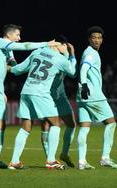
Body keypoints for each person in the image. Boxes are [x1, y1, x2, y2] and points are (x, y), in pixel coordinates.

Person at [0, 24, 60, 169]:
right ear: (9, 35)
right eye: (17, 35)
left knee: (0, 125)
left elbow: (14, 67)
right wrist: (46, 44)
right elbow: (25, 46)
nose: (19, 38)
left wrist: (30, 66)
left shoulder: (8, 50)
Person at [7, 37, 76, 170]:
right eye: (64, 46)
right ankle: (50, 160)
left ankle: (14, 161)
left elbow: (18, 70)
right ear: (60, 45)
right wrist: (69, 54)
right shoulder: (60, 59)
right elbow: (72, 73)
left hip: (26, 91)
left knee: (26, 126)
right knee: (55, 124)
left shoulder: (37, 52)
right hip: (40, 92)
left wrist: (7, 68)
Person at [77, 26, 117, 170]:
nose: (97, 40)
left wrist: (83, 86)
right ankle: (105, 158)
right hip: (92, 94)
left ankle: (82, 161)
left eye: (99, 37)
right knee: (111, 123)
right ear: (89, 39)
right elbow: (83, 69)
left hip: (82, 95)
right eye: (94, 37)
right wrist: (85, 84)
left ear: (102, 40)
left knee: (84, 127)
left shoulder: (87, 52)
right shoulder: (91, 53)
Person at [40, 41, 77, 167]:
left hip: (61, 96)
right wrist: (69, 54)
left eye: (62, 45)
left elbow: (72, 72)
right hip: (47, 96)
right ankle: (50, 159)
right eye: (59, 45)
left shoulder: (63, 58)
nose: (61, 47)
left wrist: (71, 54)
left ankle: (64, 154)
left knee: (71, 124)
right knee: (46, 126)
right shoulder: (50, 58)